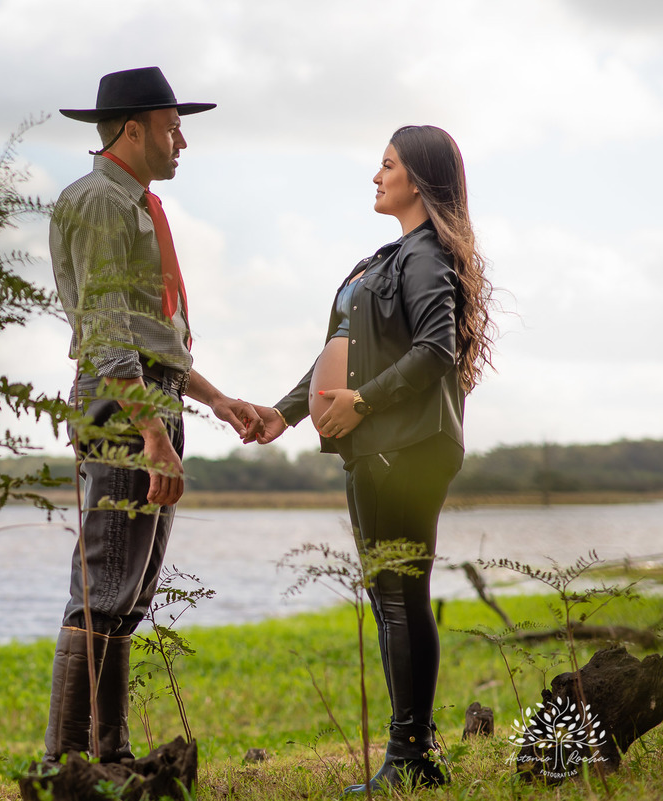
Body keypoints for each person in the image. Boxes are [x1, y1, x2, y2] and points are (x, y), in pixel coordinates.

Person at [250, 125, 496, 793]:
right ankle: (416, 752)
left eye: (387, 165)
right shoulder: (391, 257)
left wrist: (362, 402)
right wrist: (284, 411)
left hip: (403, 446)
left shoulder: (423, 256)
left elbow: (436, 350)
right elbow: (342, 348)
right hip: (390, 445)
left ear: (416, 178)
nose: (377, 175)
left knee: (395, 594)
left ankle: (409, 755)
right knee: (397, 594)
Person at [44, 66, 266, 765]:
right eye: (174, 127)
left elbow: (150, 339)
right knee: (106, 579)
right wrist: (148, 435)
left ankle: (107, 755)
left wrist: (216, 398)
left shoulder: (132, 202)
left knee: (127, 590)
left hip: (149, 397)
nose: (182, 143)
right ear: (132, 128)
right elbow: (109, 334)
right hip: (125, 409)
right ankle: (70, 762)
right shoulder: (103, 203)